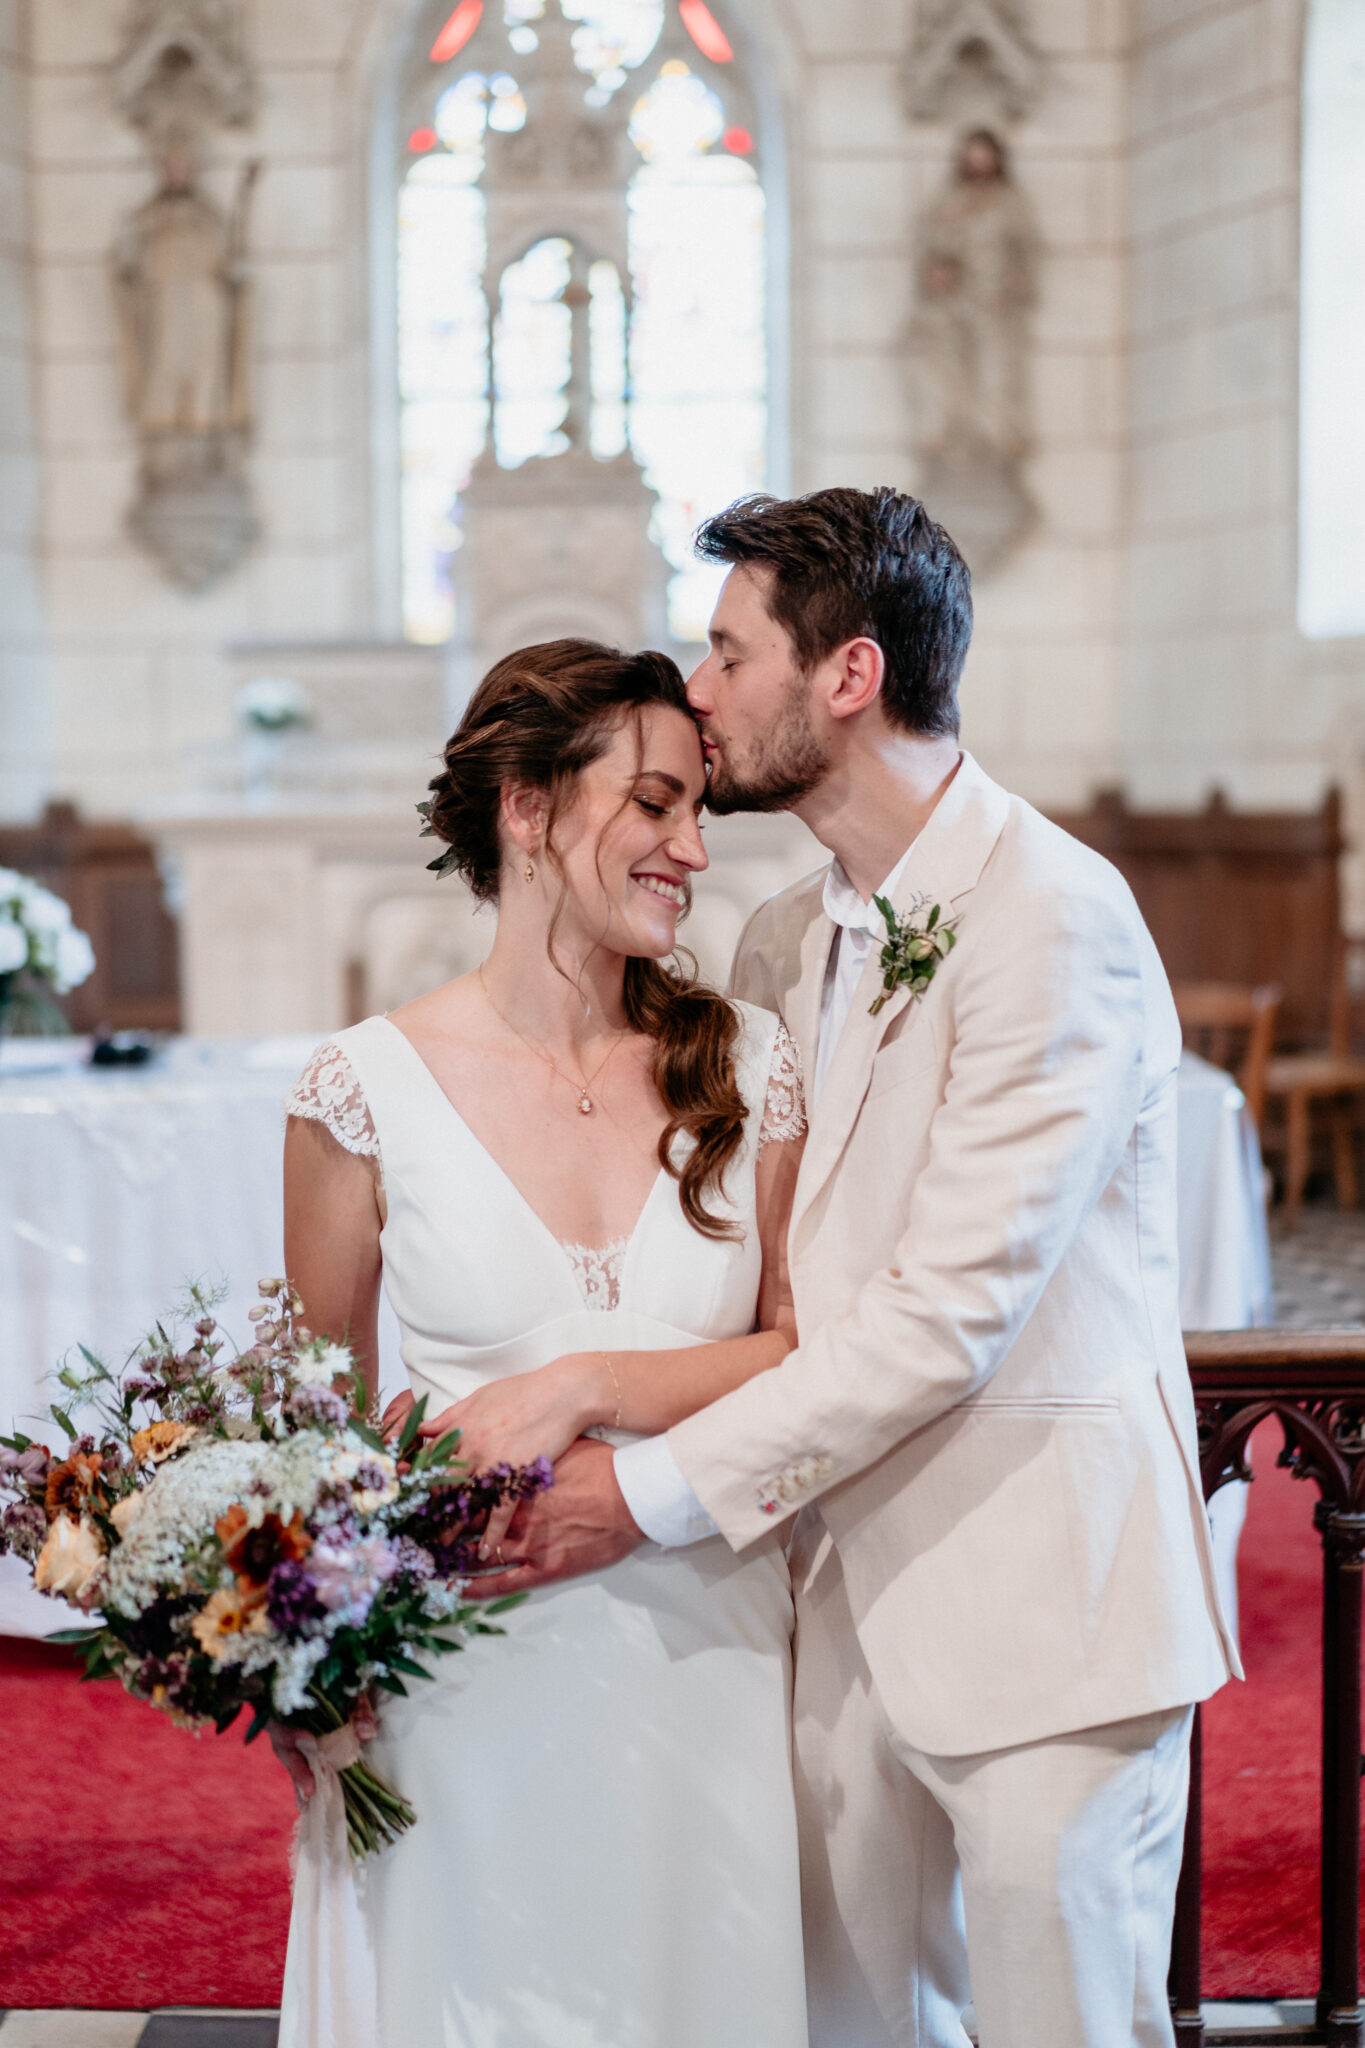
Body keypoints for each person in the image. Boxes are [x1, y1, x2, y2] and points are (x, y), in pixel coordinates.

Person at [472, 489, 1242, 2048]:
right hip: (822, 1615)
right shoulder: (775, 943)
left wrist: (637, 1492)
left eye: (727, 649)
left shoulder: (1051, 919)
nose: (696, 689)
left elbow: (947, 1319)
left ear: (846, 676)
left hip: (1042, 1621)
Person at [272, 639, 810, 2048]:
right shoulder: (358, 1091)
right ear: (524, 805)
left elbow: (814, 1351)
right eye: (653, 804)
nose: (691, 847)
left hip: (721, 1666)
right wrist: (304, 1672)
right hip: (463, 1683)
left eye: (699, 809)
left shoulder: (753, 1063)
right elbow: (310, 1429)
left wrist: (585, 1384)